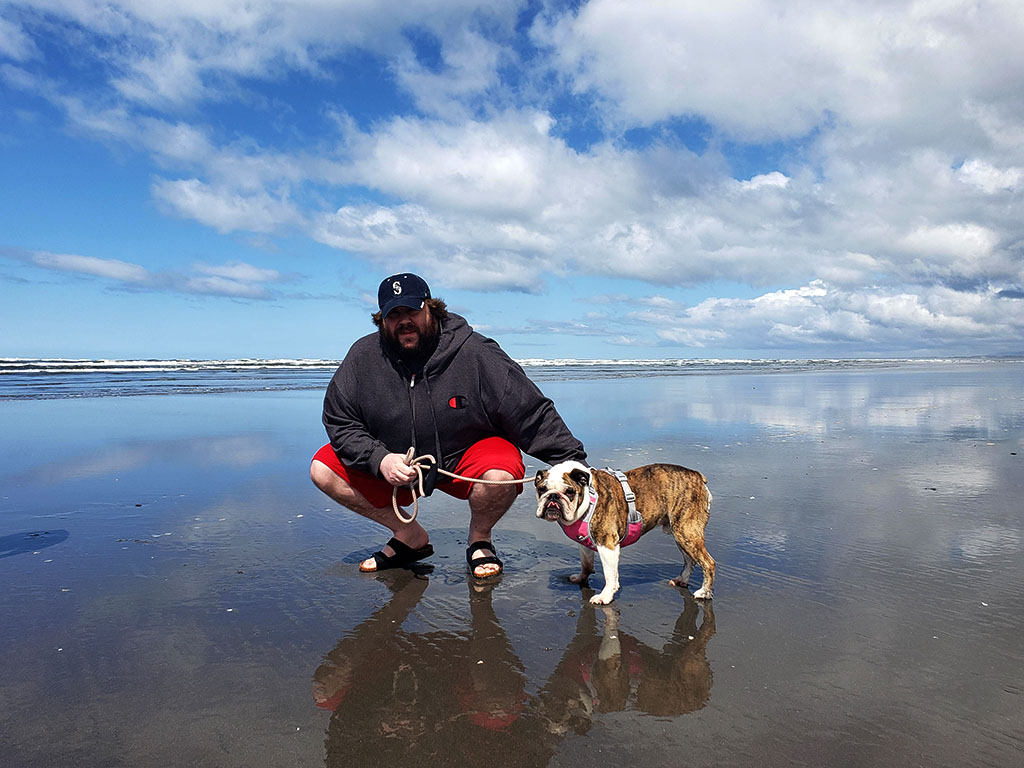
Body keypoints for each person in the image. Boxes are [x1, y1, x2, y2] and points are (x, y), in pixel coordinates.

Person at [310, 272, 587, 578]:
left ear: (431, 308)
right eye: (394, 314)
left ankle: (480, 539)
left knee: (503, 467)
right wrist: (380, 459)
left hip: (464, 457)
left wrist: (576, 464)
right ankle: (408, 535)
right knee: (323, 467)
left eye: (411, 311)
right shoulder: (363, 357)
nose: (404, 321)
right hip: (398, 463)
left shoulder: (475, 352)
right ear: (382, 320)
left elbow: (530, 411)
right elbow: (340, 420)